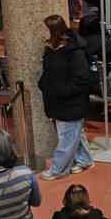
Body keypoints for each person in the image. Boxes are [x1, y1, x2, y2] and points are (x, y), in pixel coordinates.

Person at [38, 15, 95, 181]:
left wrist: (63, 91)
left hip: (70, 102)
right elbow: (48, 72)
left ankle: (58, 169)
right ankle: (85, 160)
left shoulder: (75, 52)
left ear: (53, 31)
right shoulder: (51, 48)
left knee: (67, 138)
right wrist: (43, 84)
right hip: (58, 100)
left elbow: (82, 79)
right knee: (75, 133)